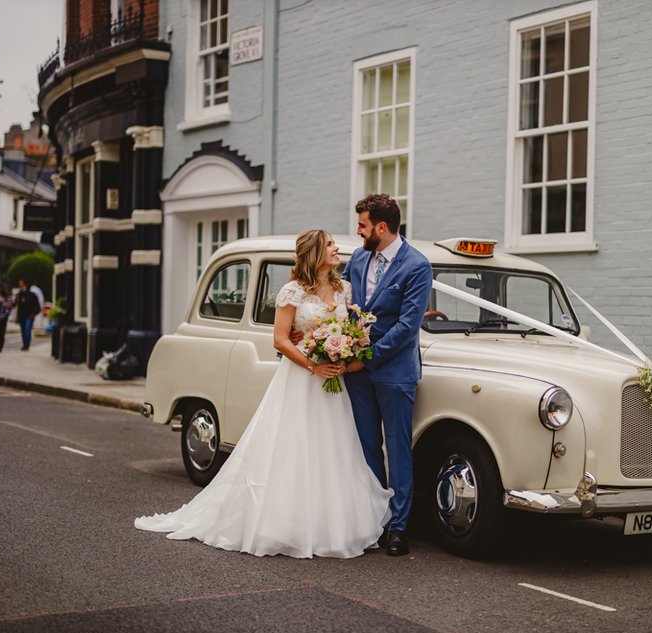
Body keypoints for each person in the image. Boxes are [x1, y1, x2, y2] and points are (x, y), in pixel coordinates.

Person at [135, 230, 393, 558]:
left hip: (332, 381)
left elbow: (352, 329)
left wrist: (343, 353)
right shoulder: (292, 291)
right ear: (315, 252)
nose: (336, 249)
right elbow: (281, 339)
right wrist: (314, 365)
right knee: (292, 445)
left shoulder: (344, 290)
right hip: (302, 377)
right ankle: (285, 522)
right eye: (330, 245)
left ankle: (332, 525)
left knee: (334, 448)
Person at [342, 194, 433, 557]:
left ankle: (398, 527)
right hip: (356, 373)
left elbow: (408, 327)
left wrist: (368, 357)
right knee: (366, 449)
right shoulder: (358, 258)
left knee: (397, 450)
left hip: (394, 372)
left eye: (362, 225)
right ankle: (373, 521)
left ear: (381, 227)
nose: (358, 231)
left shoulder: (417, 266)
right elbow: (344, 305)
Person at [15, 279, 41, 351]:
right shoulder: (19, 294)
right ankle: (25, 344)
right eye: (19, 285)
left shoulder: (32, 294)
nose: (20, 286)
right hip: (21, 316)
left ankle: (27, 345)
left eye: (21, 284)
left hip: (29, 316)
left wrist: (33, 314)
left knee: (27, 329)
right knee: (23, 330)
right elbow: (15, 304)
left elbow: (37, 306)